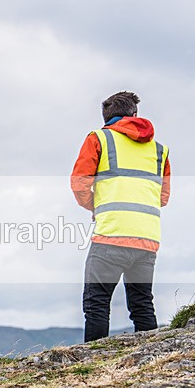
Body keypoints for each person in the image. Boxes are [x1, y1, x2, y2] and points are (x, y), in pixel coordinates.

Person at [70, 91, 171, 342]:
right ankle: (151, 361)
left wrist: (96, 207)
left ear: (106, 117)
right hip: (147, 238)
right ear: (135, 115)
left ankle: (91, 367)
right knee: (142, 305)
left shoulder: (98, 138)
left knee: (96, 303)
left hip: (111, 236)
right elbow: (163, 197)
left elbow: (79, 183)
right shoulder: (160, 150)